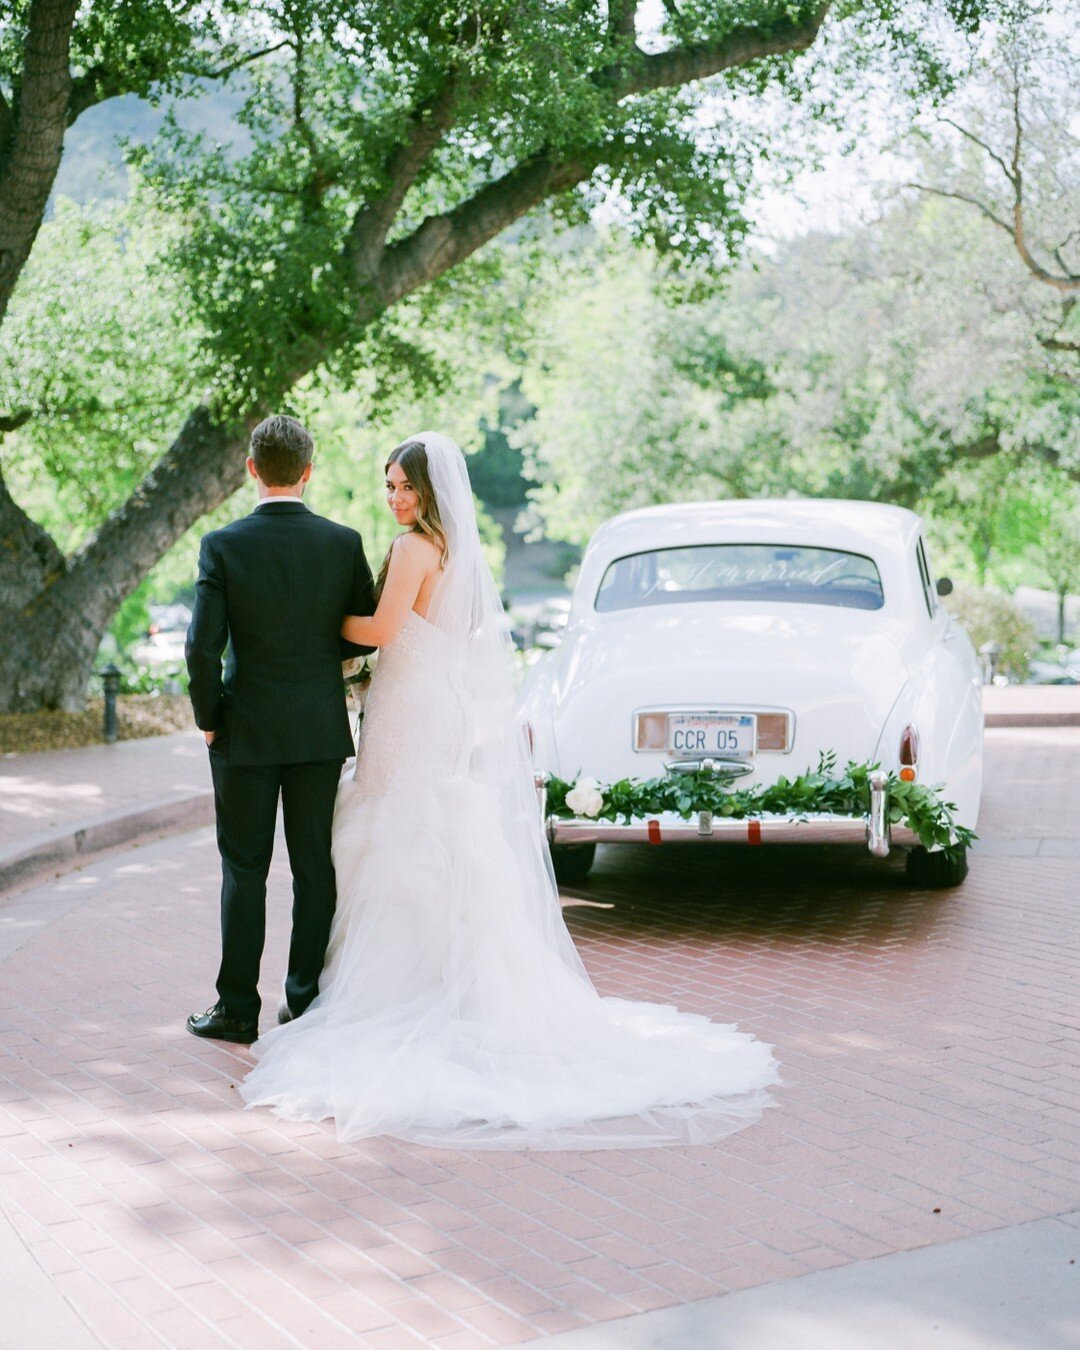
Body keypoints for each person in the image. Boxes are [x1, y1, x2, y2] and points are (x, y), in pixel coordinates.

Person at [241, 433, 780, 1148]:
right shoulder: (457, 551)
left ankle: (400, 993)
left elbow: (376, 628)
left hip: (409, 712)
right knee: (431, 829)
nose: (396, 499)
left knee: (399, 828)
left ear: (433, 492)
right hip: (434, 703)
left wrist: (306, 627)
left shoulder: (410, 551)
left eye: (406, 487)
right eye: (390, 487)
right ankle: (450, 985)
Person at [184, 414, 376, 1046]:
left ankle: (237, 1009)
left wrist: (210, 720)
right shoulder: (343, 543)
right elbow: (360, 630)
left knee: (245, 869)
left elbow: (200, 649)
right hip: (319, 730)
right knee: (314, 867)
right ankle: (305, 1003)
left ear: (251, 469)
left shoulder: (223, 545)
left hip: (244, 733)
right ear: (309, 471)